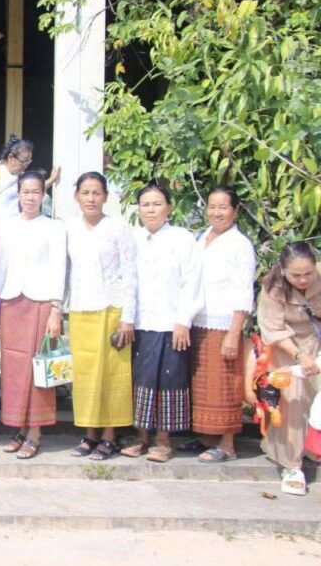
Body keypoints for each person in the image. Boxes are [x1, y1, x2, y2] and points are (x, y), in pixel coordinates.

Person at [121, 183, 202, 463]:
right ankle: (141, 437)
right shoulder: (133, 238)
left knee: (169, 379)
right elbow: (128, 280)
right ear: (138, 209)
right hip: (141, 322)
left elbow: (192, 281)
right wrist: (127, 318)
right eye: (145, 205)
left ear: (168, 207)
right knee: (142, 379)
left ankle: (164, 441)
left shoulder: (182, 239)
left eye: (157, 204)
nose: (151, 210)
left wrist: (183, 320)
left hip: (172, 324)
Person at [0, 171, 67, 459]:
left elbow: (59, 268)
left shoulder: (54, 227)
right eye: (25, 192)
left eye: (36, 191)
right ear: (18, 195)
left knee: (38, 367)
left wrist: (56, 309)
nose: (30, 197)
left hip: (41, 303)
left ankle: (35, 432)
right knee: (14, 368)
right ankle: (19, 428)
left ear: (43, 195)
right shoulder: (6, 226)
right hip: (11, 301)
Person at [65, 172, 137, 461]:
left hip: (112, 310)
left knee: (111, 376)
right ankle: (89, 434)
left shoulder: (118, 227)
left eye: (96, 193)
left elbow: (130, 273)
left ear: (105, 196)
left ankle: (109, 436)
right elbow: (64, 272)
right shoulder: (69, 228)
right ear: (76, 197)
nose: (91, 198)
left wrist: (128, 317)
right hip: (81, 310)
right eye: (85, 193)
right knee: (84, 376)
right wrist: (57, 309)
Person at [183, 186, 256, 463]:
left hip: (223, 325)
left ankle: (227, 445)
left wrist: (234, 332)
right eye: (212, 206)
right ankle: (206, 438)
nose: (217, 212)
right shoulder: (201, 238)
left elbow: (244, 292)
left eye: (223, 207)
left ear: (235, 211)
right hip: (198, 322)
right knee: (202, 384)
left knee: (224, 385)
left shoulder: (240, 244)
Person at [256, 242, 321, 496]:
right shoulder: (272, 287)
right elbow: (272, 329)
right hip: (289, 346)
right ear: (284, 270)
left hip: (318, 341)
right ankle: (292, 465)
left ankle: (313, 448)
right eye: (296, 275)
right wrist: (300, 355)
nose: (303, 279)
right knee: (293, 402)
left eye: (308, 274)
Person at [0, 137, 60, 223]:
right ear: (11, 157)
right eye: (23, 162)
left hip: (16, 227)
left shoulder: (20, 176)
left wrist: (52, 179)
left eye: (28, 162)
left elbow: (34, 189)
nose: (25, 166)